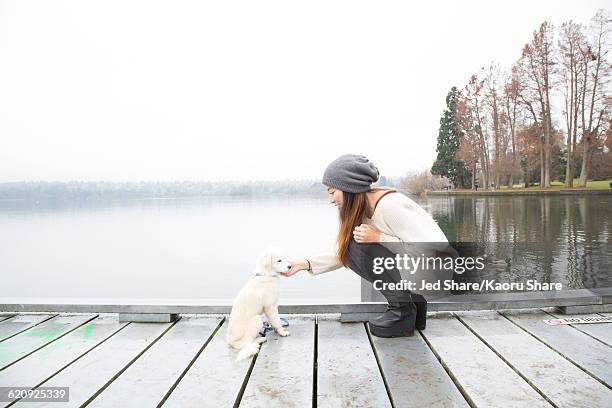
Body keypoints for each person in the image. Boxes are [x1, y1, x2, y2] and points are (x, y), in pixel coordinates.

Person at [283, 154, 451, 338]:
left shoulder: (390, 206)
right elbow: (343, 252)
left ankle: (402, 311)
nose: (330, 199)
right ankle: (414, 308)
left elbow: (432, 250)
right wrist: (303, 264)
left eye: (332, 192)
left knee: (358, 245)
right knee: (352, 245)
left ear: (349, 187)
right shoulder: (361, 208)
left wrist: (379, 237)